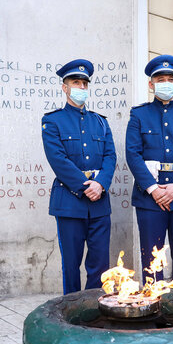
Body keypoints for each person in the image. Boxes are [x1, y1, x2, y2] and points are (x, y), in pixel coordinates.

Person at [125, 55, 173, 289]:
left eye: (171, 79)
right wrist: (153, 189)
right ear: (151, 84)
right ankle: (154, 309)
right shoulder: (139, 115)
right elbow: (132, 153)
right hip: (150, 198)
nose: (166, 83)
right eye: (161, 79)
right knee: (151, 260)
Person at [41, 59, 117, 295]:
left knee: (99, 264)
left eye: (85, 83)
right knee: (71, 265)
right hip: (70, 202)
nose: (81, 88)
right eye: (76, 82)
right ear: (65, 87)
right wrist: (85, 187)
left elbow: (110, 156)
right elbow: (58, 159)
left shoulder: (101, 123)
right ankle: (72, 309)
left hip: (99, 203)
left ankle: (94, 307)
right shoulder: (52, 121)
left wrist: (101, 184)